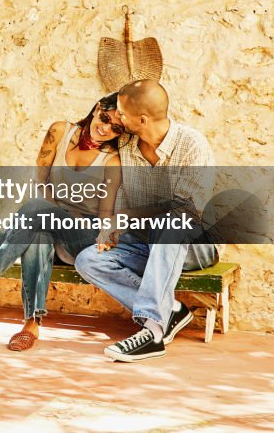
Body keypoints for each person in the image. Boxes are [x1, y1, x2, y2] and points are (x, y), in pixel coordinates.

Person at [0, 94, 125, 351]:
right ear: (97, 109)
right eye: (104, 118)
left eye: (116, 128)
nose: (106, 129)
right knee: (38, 234)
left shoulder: (111, 160)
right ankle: (31, 325)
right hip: (45, 222)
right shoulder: (59, 132)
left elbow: (105, 212)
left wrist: (105, 234)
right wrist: (52, 213)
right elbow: (40, 180)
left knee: (37, 210)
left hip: (81, 236)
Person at [75, 79, 217, 362]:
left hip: (192, 246)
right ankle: (170, 311)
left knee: (170, 222)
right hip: (145, 244)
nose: (118, 117)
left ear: (141, 119)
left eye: (122, 113)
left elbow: (186, 210)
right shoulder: (127, 142)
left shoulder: (192, 145)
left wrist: (126, 216)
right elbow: (94, 133)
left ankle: (153, 332)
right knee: (89, 260)